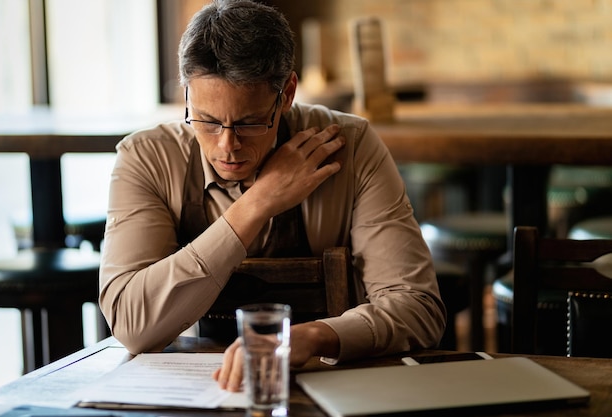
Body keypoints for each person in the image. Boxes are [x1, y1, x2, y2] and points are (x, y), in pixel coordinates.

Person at [99, 0, 446, 392]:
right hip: (186, 388)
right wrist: (257, 203)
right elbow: (132, 327)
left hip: (327, 384)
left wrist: (314, 336)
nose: (228, 146)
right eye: (207, 121)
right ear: (186, 93)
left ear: (287, 93)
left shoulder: (350, 147)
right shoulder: (147, 158)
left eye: (249, 122)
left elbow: (418, 308)